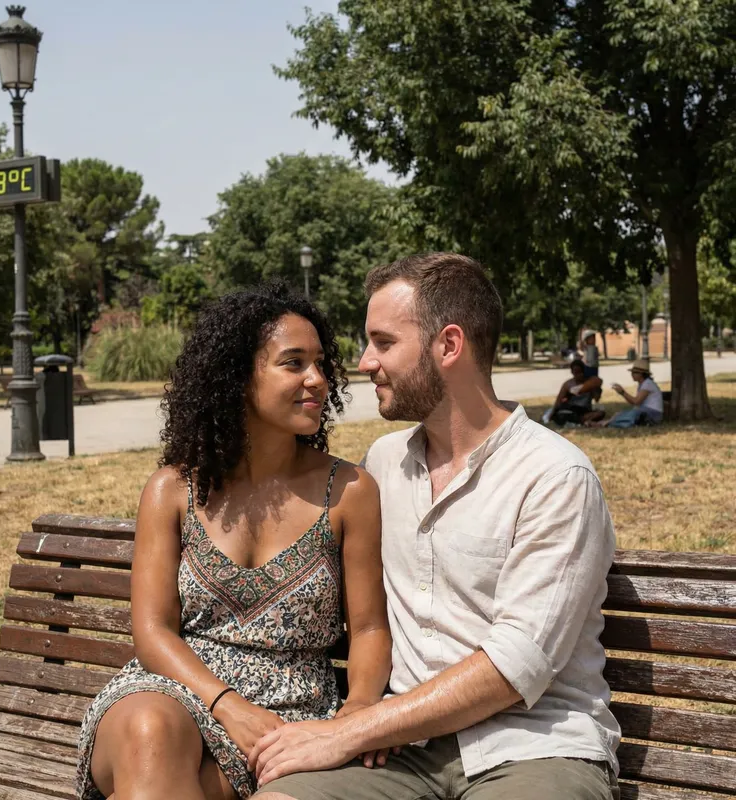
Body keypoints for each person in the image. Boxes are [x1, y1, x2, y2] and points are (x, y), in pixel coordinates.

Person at [250, 253, 620, 800]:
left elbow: (515, 666)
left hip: (531, 747)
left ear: (448, 346)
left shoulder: (555, 476)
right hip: (401, 753)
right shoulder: (382, 462)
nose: (363, 362)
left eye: (383, 342)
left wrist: (353, 729)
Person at [76, 281, 392, 800]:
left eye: (320, 363)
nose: (317, 379)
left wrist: (357, 708)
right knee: (150, 735)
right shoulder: (174, 489)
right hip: (175, 691)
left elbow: (369, 627)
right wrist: (226, 704)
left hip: (289, 713)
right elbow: (153, 631)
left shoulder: (349, 492)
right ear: (236, 378)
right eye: (293, 363)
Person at [587, 358, 663, 429]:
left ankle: (605, 423)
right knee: (621, 414)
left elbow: (636, 401)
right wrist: (622, 393)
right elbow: (635, 403)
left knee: (630, 415)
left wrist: (622, 392)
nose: (632, 374)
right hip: (646, 413)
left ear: (642, 374)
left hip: (653, 415)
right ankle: (607, 423)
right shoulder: (643, 384)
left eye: (635, 372)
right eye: (632, 372)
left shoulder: (648, 384)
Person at [543, 359, 605, 427]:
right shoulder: (568, 384)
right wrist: (551, 414)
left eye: (580, 372)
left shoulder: (589, 383)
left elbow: (597, 399)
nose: (579, 375)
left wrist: (596, 390)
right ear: (572, 372)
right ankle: (580, 421)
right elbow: (558, 401)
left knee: (600, 413)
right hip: (571, 410)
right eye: (576, 372)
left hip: (585, 411)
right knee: (562, 414)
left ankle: (579, 421)